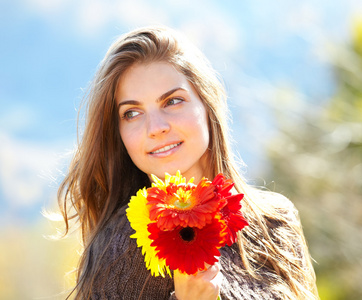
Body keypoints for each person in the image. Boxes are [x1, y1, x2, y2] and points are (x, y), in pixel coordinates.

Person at [58, 26, 319, 300]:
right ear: (118, 133)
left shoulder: (276, 221)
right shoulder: (123, 244)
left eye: (172, 101)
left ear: (207, 103)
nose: (156, 127)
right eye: (132, 113)